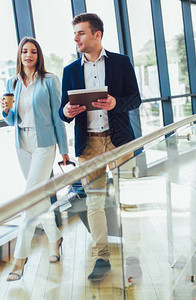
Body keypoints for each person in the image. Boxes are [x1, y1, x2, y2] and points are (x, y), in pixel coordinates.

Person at [59, 13, 141, 282]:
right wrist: (67, 111)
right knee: (94, 203)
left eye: (81, 33)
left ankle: (133, 257)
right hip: (89, 144)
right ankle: (101, 258)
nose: (76, 39)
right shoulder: (70, 71)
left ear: (97, 35)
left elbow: (135, 99)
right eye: (75, 34)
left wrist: (116, 103)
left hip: (119, 140)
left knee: (127, 201)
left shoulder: (121, 62)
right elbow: (63, 112)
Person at [2, 37, 69, 282]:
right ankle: (55, 239)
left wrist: (64, 150)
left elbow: (57, 115)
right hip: (22, 144)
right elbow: (10, 121)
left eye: (33, 52)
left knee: (29, 198)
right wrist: (5, 111)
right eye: (24, 51)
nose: (28, 55)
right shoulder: (12, 82)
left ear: (38, 56)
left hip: (44, 143)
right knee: (38, 197)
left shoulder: (49, 80)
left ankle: (19, 259)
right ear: (19, 55)